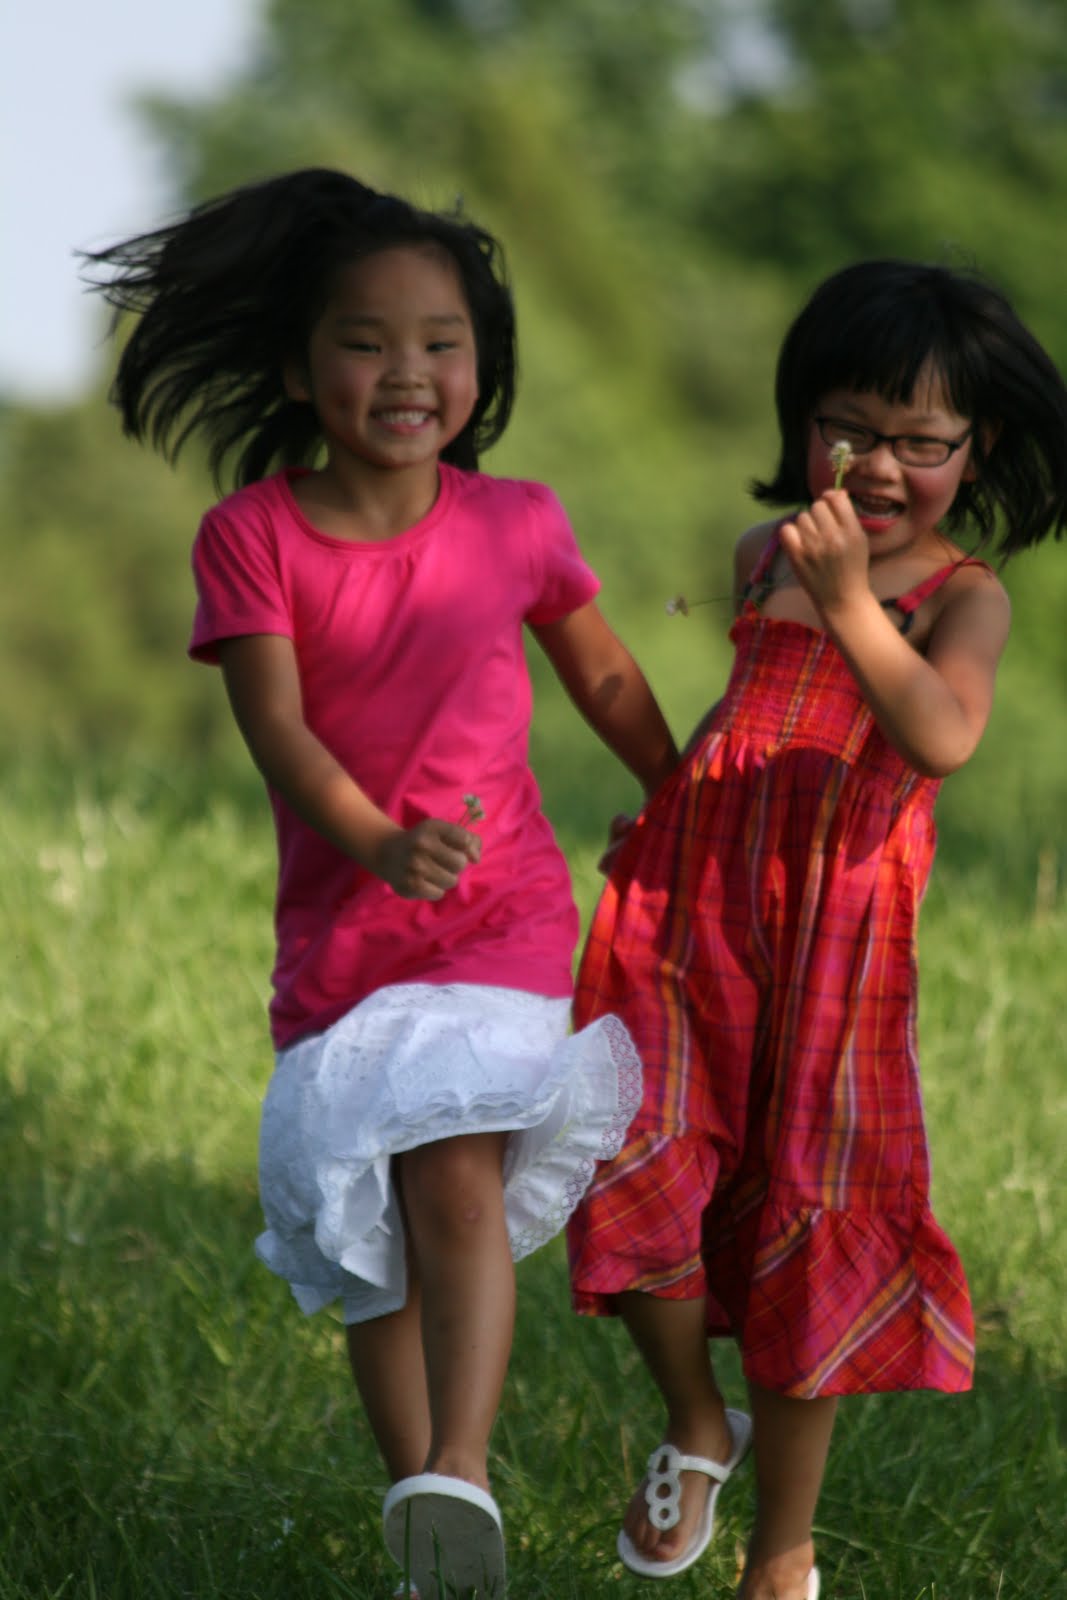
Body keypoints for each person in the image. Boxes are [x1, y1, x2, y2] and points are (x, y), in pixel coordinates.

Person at [82, 167, 677, 1600]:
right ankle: (430, 1526)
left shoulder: (519, 521)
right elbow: (279, 730)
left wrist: (679, 796)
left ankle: (458, 1464)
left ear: (481, 363)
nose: (407, 371)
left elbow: (597, 669)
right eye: (365, 341)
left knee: (454, 1174)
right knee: (372, 1244)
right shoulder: (254, 537)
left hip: (505, 919)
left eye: (441, 340)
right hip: (348, 949)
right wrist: (374, 843)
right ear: (297, 366)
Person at [566, 258, 1067, 1600]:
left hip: (838, 949)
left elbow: (940, 734)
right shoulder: (758, 558)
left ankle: (781, 1557)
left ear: (982, 449)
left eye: (925, 441)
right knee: (634, 1152)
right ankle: (690, 1417)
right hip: (693, 922)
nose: (884, 464)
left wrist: (852, 600)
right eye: (853, 427)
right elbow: (749, 727)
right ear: (804, 426)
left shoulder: (962, 597)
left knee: (807, 1220)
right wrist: (675, 817)